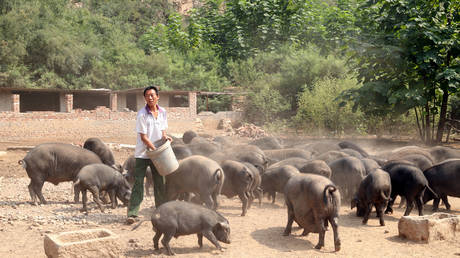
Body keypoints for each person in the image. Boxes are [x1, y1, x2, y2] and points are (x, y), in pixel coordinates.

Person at [126, 85, 172, 224]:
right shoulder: (142, 114)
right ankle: (133, 213)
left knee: (159, 182)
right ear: (145, 98)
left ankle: (161, 210)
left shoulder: (163, 112)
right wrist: (155, 151)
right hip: (143, 154)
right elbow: (144, 137)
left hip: (157, 152)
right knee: (138, 183)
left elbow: (163, 131)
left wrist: (166, 138)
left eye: (152, 95)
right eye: (147, 96)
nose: (150, 97)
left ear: (158, 97)